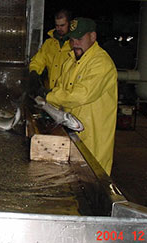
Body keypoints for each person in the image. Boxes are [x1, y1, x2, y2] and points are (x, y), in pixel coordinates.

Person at [46, 17, 118, 176]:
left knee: (93, 184)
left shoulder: (101, 63)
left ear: (93, 37)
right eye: (72, 39)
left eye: (80, 39)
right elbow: (60, 92)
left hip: (93, 142)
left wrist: (48, 96)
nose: (75, 43)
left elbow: (80, 96)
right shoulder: (70, 62)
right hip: (73, 135)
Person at [28, 9, 72, 97]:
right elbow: (38, 61)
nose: (59, 28)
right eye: (57, 25)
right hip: (49, 92)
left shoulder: (75, 44)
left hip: (68, 93)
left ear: (70, 24)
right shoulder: (49, 43)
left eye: (62, 25)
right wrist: (34, 72)